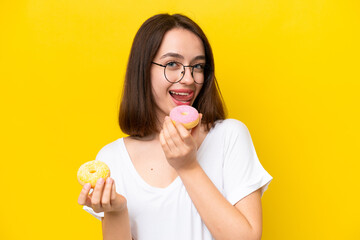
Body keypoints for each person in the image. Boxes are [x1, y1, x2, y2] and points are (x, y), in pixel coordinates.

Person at [78, 13, 272, 240]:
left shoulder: (229, 136)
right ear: (143, 70)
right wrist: (116, 211)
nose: (189, 78)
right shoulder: (112, 157)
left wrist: (188, 166)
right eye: (172, 64)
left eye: (197, 66)